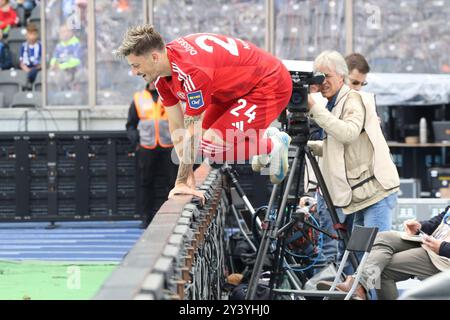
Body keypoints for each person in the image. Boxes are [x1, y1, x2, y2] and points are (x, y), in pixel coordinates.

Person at [115, 24, 293, 202]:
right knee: (203, 146)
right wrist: (188, 173)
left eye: (136, 65)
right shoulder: (163, 76)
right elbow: (177, 126)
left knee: (211, 148)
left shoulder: (191, 71)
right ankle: (259, 140)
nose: (134, 72)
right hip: (235, 89)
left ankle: (273, 144)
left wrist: (181, 181)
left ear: (154, 57)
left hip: (270, 82)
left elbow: (192, 131)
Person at [306, 50, 400, 266]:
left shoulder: (353, 99)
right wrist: (306, 145)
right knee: (357, 258)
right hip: (361, 196)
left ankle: (375, 294)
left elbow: (347, 133)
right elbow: (337, 148)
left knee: (372, 259)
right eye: (319, 77)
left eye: (327, 76)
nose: (323, 82)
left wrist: (314, 108)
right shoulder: (334, 104)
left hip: (375, 193)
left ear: (342, 76)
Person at [317, 206, 450, 300]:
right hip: (432, 244)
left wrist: (442, 247)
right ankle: (357, 285)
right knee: (382, 237)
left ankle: (357, 286)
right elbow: (441, 220)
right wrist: (420, 226)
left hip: (443, 257)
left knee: (382, 269)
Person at [126, 82, 178, 228]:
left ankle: (173, 217)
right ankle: (146, 218)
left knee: (172, 183)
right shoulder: (138, 98)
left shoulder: (171, 95)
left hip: (169, 145)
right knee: (146, 182)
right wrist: (136, 140)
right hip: (146, 147)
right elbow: (130, 124)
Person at [49, 23, 81, 90]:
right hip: (59, 71)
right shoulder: (59, 46)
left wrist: (60, 64)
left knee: (60, 76)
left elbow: (77, 60)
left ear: (71, 32)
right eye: (60, 32)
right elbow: (53, 60)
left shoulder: (77, 44)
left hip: (73, 71)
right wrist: (54, 64)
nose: (61, 34)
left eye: (64, 32)